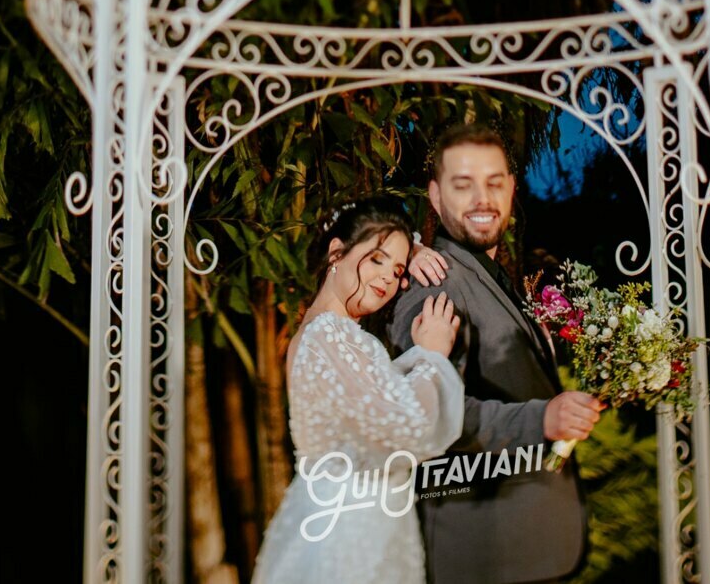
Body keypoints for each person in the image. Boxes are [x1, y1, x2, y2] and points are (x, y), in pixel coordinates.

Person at [387, 124, 601, 584]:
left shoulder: (486, 272)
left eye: (494, 182)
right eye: (463, 185)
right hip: (487, 553)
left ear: (512, 189)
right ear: (435, 196)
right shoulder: (436, 283)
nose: (483, 199)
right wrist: (541, 420)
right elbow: (429, 418)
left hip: (525, 546)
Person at [251, 196, 465, 584]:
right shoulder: (330, 333)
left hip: (343, 516)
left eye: (398, 268)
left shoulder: (325, 334)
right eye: (377, 258)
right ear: (337, 253)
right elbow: (406, 429)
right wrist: (431, 356)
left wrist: (410, 248)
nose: (389, 277)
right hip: (351, 526)